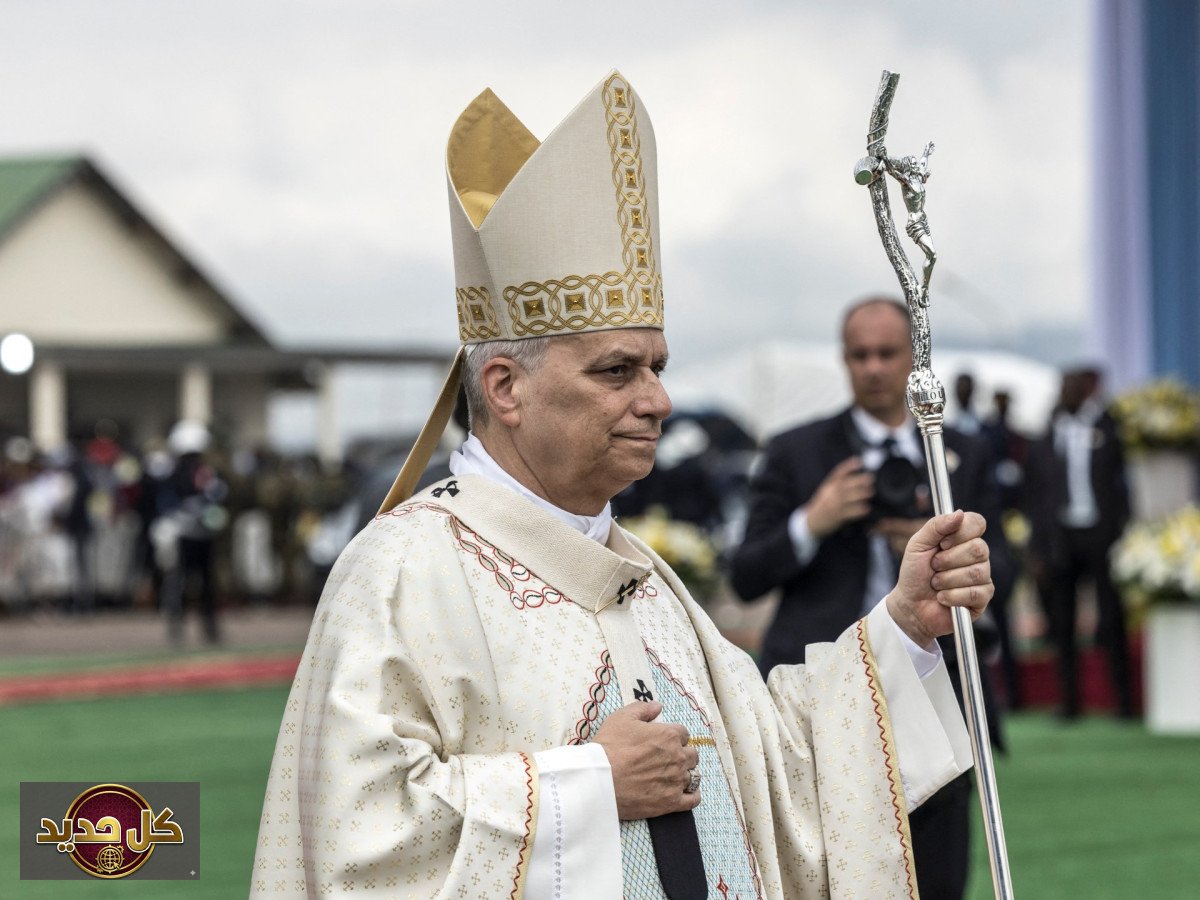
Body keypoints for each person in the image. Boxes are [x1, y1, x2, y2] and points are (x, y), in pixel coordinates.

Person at [253, 73, 994, 899]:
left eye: (659, 367)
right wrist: (587, 785)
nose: (659, 401)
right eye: (617, 370)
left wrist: (905, 627)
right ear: (505, 387)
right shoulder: (403, 572)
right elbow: (361, 842)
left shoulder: (645, 583)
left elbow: (776, 769)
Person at [730, 296, 1012, 899]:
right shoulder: (795, 451)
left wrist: (945, 552)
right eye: (860, 355)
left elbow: (1006, 566)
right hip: (820, 686)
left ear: (913, 358)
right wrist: (813, 519)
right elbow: (746, 574)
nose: (874, 368)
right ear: (844, 360)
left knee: (939, 872)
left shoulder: (959, 450)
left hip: (941, 684)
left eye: (887, 353)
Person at [1024, 367, 1133, 719]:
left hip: (1100, 534)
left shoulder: (1105, 428)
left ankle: (1123, 701)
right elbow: (1036, 498)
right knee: (1063, 620)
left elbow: (1121, 485)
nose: (1070, 394)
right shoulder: (1048, 435)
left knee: (1112, 617)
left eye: (1075, 388)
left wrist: (1123, 531)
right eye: (1065, 388)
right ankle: (1070, 703)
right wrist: (1038, 549)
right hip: (1062, 537)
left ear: (1085, 393)